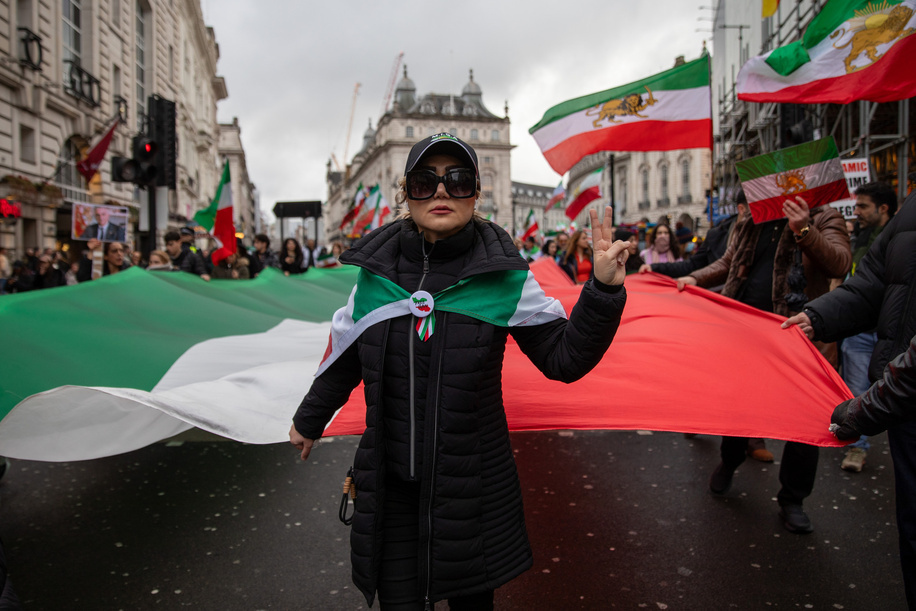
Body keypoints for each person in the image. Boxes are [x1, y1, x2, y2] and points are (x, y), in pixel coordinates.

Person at [289, 133, 629, 610]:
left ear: (476, 193)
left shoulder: (506, 277)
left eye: (458, 179)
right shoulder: (376, 275)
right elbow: (344, 354)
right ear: (406, 194)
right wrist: (310, 418)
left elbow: (564, 359)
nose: (442, 191)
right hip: (392, 490)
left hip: (471, 491)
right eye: (425, 182)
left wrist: (603, 291)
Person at [679, 191, 851, 534]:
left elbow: (840, 264)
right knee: (739, 409)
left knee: (805, 420)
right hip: (744, 335)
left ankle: (792, 500)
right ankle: (730, 461)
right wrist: (697, 278)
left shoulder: (824, 216)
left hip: (798, 337)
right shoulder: (752, 219)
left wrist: (804, 229)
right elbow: (729, 263)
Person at [783, 189, 915, 604]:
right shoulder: (911, 211)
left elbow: (840, 263)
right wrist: (819, 316)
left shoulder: (825, 221)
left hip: (901, 387)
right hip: (905, 401)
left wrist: (867, 409)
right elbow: (872, 282)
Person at [834, 182, 898, 472]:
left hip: (893, 330)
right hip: (861, 330)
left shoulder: (900, 239)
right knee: (856, 389)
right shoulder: (860, 238)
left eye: (862, 206)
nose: (856, 211)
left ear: (883, 208)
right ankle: (857, 447)